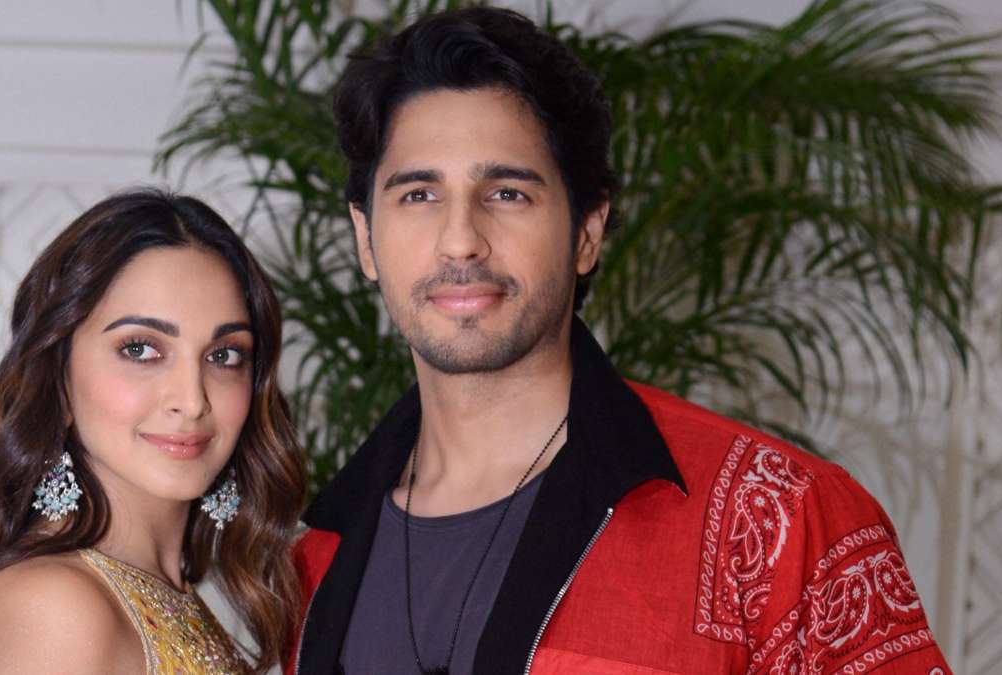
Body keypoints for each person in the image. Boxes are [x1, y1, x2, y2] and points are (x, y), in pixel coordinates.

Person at [288, 7, 949, 675]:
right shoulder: (308, 566)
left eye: (508, 193)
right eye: (418, 195)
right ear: (365, 238)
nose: (461, 240)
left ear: (587, 231)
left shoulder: (778, 520)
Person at [0, 189, 305, 674]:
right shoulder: (52, 607)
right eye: (140, 349)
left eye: (223, 355)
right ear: (58, 377)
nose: (192, 400)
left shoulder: (158, 590)